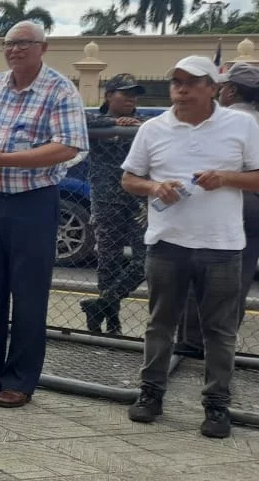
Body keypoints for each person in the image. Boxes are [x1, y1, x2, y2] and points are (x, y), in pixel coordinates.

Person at [120, 55, 259, 438]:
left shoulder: (240, 125)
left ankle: (217, 406)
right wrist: (155, 187)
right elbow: (129, 179)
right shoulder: (154, 129)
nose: (182, 89)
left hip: (221, 246)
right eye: (176, 82)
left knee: (219, 331)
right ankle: (151, 394)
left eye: (192, 82)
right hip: (167, 244)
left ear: (214, 87)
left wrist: (224, 178)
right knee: (160, 325)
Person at [0, 21, 88, 409]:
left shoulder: (59, 89)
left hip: (34, 200)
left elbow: (67, 146)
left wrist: (5, 159)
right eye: (10, 44)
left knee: (28, 294)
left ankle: (19, 381)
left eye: (24, 44)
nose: (15, 50)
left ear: (43, 48)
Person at [175, 62, 259, 359]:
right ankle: (221, 343)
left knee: (194, 266)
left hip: (212, 199)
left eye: (223, 86)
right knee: (239, 276)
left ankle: (190, 340)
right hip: (253, 201)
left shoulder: (213, 120)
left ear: (231, 90)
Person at [80, 74, 152, 335]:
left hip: (138, 203)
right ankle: (111, 321)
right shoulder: (98, 121)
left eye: (135, 94)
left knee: (144, 261)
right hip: (106, 201)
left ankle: (101, 304)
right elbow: (80, 120)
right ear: (109, 95)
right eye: (125, 93)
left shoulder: (143, 124)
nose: (132, 98)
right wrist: (114, 122)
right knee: (108, 262)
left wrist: (134, 124)